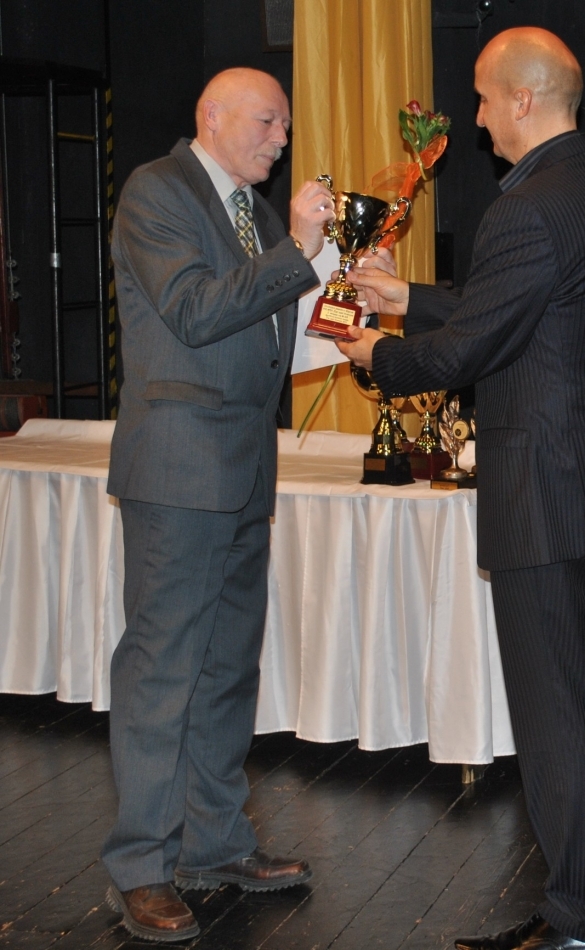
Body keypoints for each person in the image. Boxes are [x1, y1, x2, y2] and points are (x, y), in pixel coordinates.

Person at [338, 27, 585, 950]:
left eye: (486, 99)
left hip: (543, 495)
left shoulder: (526, 207)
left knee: (557, 712)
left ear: (523, 100)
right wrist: (408, 298)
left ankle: (578, 915)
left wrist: (378, 354)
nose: (480, 118)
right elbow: (526, 305)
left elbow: (466, 352)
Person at [102, 67, 335, 942]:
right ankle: (141, 868)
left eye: (285, 124)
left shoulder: (256, 214)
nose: (282, 138)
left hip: (242, 471)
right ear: (212, 115)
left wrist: (339, 292)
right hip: (180, 472)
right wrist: (298, 251)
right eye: (268, 121)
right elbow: (196, 311)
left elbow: (271, 332)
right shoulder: (157, 191)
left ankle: (214, 845)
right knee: (163, 670)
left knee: (228, 670)